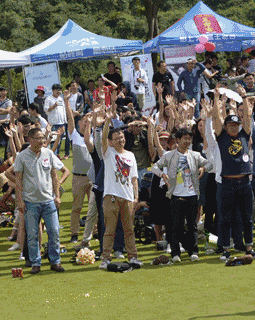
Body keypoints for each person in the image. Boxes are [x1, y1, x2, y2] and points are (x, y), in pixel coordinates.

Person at [208, 92, 255, 259]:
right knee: (224, 218)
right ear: (226, 126)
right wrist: (216, 99)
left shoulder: (244, 134)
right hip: (227, 183)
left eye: (235, 125)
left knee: (247, 219)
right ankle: (225, 250)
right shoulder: (221, 137)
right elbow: (216, 118)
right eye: (229, 125)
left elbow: (248, 117)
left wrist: (244, 97)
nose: (233, 127)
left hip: (244, 182)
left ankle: (249, 248)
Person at [14, 127, 69, 274]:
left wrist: (57, 195)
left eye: (43, 138)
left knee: (54, 231)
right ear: (30, 139)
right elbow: (18, 181)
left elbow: (54, 175)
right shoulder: (21, 156)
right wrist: (20, 201)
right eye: (38, 138)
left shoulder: (48, 153)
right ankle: (35, 263)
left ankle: (55, 261)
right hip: (30, 202)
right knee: (32, 234)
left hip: (49, 200)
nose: (41, 141)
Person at [152, 128, 211, 262]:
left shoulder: (195, 155)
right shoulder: (169, 155)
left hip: (191, 194)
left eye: (189, 139)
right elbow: (155, 167)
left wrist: (203, 168)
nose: (187, 141)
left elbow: (209, 164)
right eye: (184, 138)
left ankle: (193, 252)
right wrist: (162, 174)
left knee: (192, 226)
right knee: (175, 226)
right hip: (175, 195)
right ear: (177, 140)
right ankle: (175, 253)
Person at [98, 110, 143, 269]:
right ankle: (106, 259)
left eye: (122, 138)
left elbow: (134, 178)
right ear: (110, 142)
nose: (120, 140)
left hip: (128, 197)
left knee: (129, 230)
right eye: (116, 139)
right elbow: (103, 138)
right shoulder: (108, 152)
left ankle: (133, 257)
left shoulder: (130, 155)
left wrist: (136, 197)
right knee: (109, 230)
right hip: (111, 196)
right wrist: (107, 122)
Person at [63, 89, 94, 244]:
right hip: (78, 178)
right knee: (77, 207)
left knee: (93, 208)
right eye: (85, 120)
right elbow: (69, 117)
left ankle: (94, 231)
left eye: (89, 119)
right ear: (79, 122)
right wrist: (67, 100)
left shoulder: (94, 135)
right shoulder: (74, 135)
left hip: (93, 178)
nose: (87, 122)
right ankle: (74, 233)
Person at [44, 84, 69, 159]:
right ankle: (53, 155)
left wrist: (65, 121)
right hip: (54, 123)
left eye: (60, 90)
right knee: (54, 140)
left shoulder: (61, 99)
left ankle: (56, 154)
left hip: (62, 123)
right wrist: (53, 106)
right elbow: (46, 110)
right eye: (57, 90)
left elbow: (63, 110)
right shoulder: (48, 99)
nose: (58, 92)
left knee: (60, 140)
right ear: (53, 90)